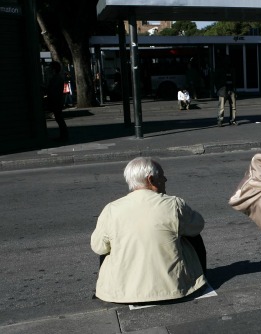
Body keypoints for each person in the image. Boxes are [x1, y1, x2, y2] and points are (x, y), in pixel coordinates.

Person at [90, 157, 208, 303]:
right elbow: (197, 225)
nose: (165, 180)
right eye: (162, 176)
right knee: (191, 234)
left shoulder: (111, 209)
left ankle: (109, 287)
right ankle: (198, 277)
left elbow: (98, 248)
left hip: (122, 293)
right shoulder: (173, 204)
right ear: (151, 180)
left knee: (108, 242)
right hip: (172, 289)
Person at [45, 61, 68, 141]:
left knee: (59, 118)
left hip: (56, 101)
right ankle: (64, 135)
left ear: (53, 69)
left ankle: (64, 135)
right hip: (57, 100)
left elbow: (52, 90)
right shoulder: (57, 78)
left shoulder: (56, 79)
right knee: (59, 118)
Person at [214, 59, 238, 127]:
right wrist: (218, 87)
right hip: (223, 89)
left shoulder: (231, 69)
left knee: (233, 106)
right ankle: (220, 120)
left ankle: (232, 120)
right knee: (222, 107)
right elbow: (216, 79)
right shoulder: (220, 70)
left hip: (230, 89)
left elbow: (234, 79)